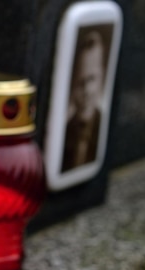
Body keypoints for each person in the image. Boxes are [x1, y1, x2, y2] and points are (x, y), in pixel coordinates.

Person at [62, 29, 107, 172]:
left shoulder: (104, 126)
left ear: (102, 77)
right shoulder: (63, 132)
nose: (87, 91)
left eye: (92, 79)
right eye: (80, 82)